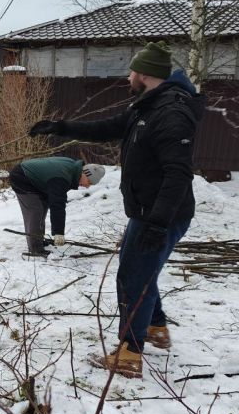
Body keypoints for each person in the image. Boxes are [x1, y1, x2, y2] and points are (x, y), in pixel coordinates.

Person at [29, 41, 205, 378]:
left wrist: (157, 224)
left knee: (132, 278)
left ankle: (129, 353)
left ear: (144, 74)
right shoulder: (148, 106)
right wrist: (60, 127)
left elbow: (178, 174)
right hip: (147, 211)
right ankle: (155, 327)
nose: (128, 77)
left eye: (131, 71)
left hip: (160, 214)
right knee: (139, 269)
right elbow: (107, 127)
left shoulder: (171, 112)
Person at [9, 157, 105, 257]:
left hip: (36, 181)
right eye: (89, 182)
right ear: (85, 173)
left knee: (42, 206)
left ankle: (38, 240)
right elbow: (57, 206)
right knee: (35, 211)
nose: (87, 186)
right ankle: (35, 248)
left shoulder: (72, 170)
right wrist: (58, 233)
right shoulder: (62, 177)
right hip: (21, 177)